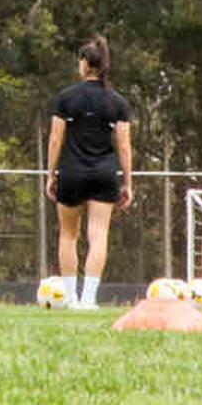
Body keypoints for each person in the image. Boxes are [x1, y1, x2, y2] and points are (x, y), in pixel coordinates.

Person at [46, 35, 133, 310]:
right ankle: (89, 299)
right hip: (104, 174)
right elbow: (124, 146)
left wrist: (51, 174)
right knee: (98, 235)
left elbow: (55, 140)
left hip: (71, 174)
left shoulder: (66, 98)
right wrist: (128, 182)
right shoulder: (117, 102)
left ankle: (71, 299)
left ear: (85, 64)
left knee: (68, 235)